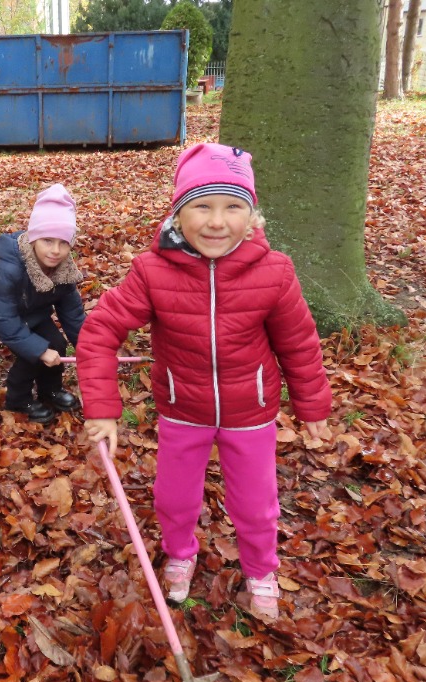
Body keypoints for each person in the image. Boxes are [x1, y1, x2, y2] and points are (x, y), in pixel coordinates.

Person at [76, 143, 331, 619]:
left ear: (252, 216)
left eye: (233, 207)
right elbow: (100, 332)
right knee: (174, 498)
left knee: (255, 503)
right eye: (202, 206)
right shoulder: (152, 271)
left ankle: (261, 570)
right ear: (178, 214)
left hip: (250, 412)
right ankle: (179, 554)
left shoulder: (275, 272)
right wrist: (103, 408)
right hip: (182, 409)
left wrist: (312, 403)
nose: (217, 222)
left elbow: (298, 342)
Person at [0, 184, 86, 425]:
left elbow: (72, 313)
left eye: (63, 243)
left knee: (56, 344)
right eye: (47, 241)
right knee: (32, 353)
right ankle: (18, 399)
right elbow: (5, 320)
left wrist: (89, 348)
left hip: (33, 310)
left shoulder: (63, 269)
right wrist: (39, 350)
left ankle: (50, 390)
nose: (55, 251)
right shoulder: (8, 268)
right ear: (34, 238)